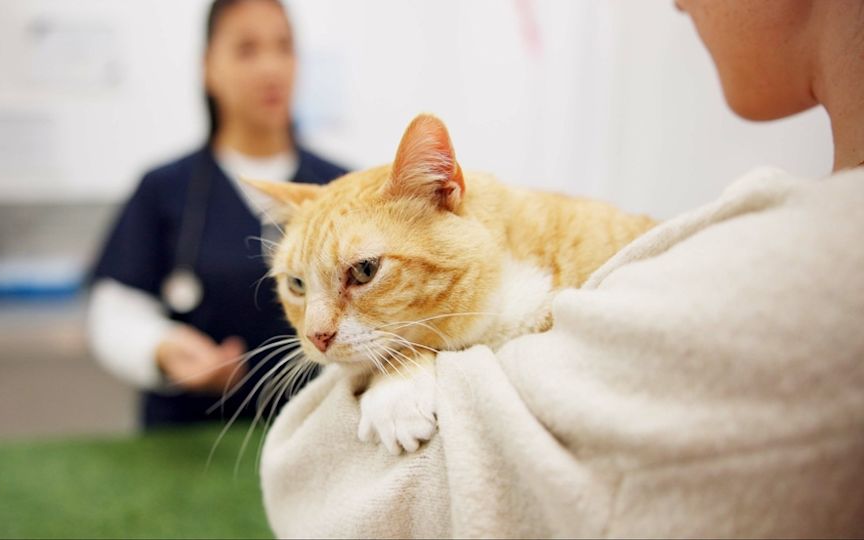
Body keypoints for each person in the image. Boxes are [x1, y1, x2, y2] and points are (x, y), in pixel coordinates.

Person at [258, 1, 864, 537]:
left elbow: (309, 493)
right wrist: (407, 354)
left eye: (361, 270)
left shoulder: (820, 272)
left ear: (446, 193)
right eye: (295, 285)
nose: (316, 329)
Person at [87, 0, 346, 428]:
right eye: (247, 49)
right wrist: (162, 347)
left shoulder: (341, 188)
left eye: (284, 47)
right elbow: (114, 311)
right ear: (208, 67)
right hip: (191, 440)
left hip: (318, 434)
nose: (271, 67)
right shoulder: (163, 189)